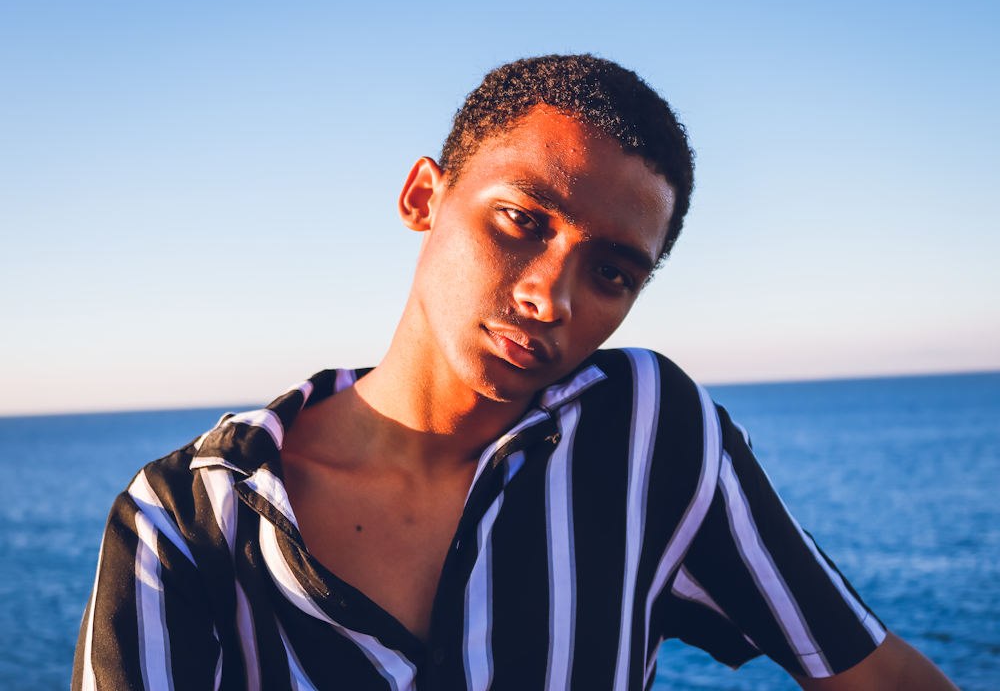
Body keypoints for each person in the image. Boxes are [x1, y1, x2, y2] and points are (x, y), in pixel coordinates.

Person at [72, 55, 958, 691]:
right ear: (425, 196)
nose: (551, 297)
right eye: (521, 221)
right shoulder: (189, 517)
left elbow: (871, 673)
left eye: (610, 272)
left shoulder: (645, 437)